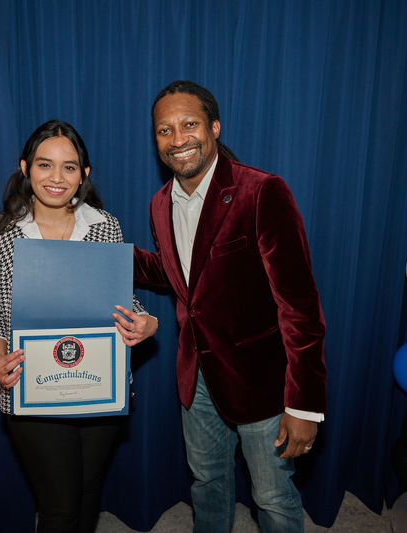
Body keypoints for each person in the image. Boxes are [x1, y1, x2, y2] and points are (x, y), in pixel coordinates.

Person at [133, 81, 327, 533]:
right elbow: (179, 274)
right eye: (165, 130)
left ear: (214, 127)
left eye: (189, 124)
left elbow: (300, 306)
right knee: (206, 483)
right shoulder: (160, 204)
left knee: (273, 498)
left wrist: (304, 404)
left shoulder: (261, 191)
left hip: (261, 380)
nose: (178, 139)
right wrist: (103, 256)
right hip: (195, 378)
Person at [0, 120, 158, 533]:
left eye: (69, 167)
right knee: (58, 507)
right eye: (45, 164)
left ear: (84, 175)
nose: (56, 178)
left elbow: (120, 299)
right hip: (29, 386)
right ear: (25, 168)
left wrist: (145, 320)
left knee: (88, 495)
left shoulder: (104, 226)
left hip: (100, 385)